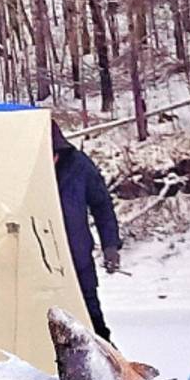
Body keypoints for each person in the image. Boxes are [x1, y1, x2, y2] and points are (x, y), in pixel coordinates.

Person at [51, 121, 124, 340]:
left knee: (95, 328)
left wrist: (110, 245)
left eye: (53, 153)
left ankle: (116, 372)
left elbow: (102, 205)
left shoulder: (78, 165)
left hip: (78, 260)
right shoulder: (23, 169)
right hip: (39, 267)